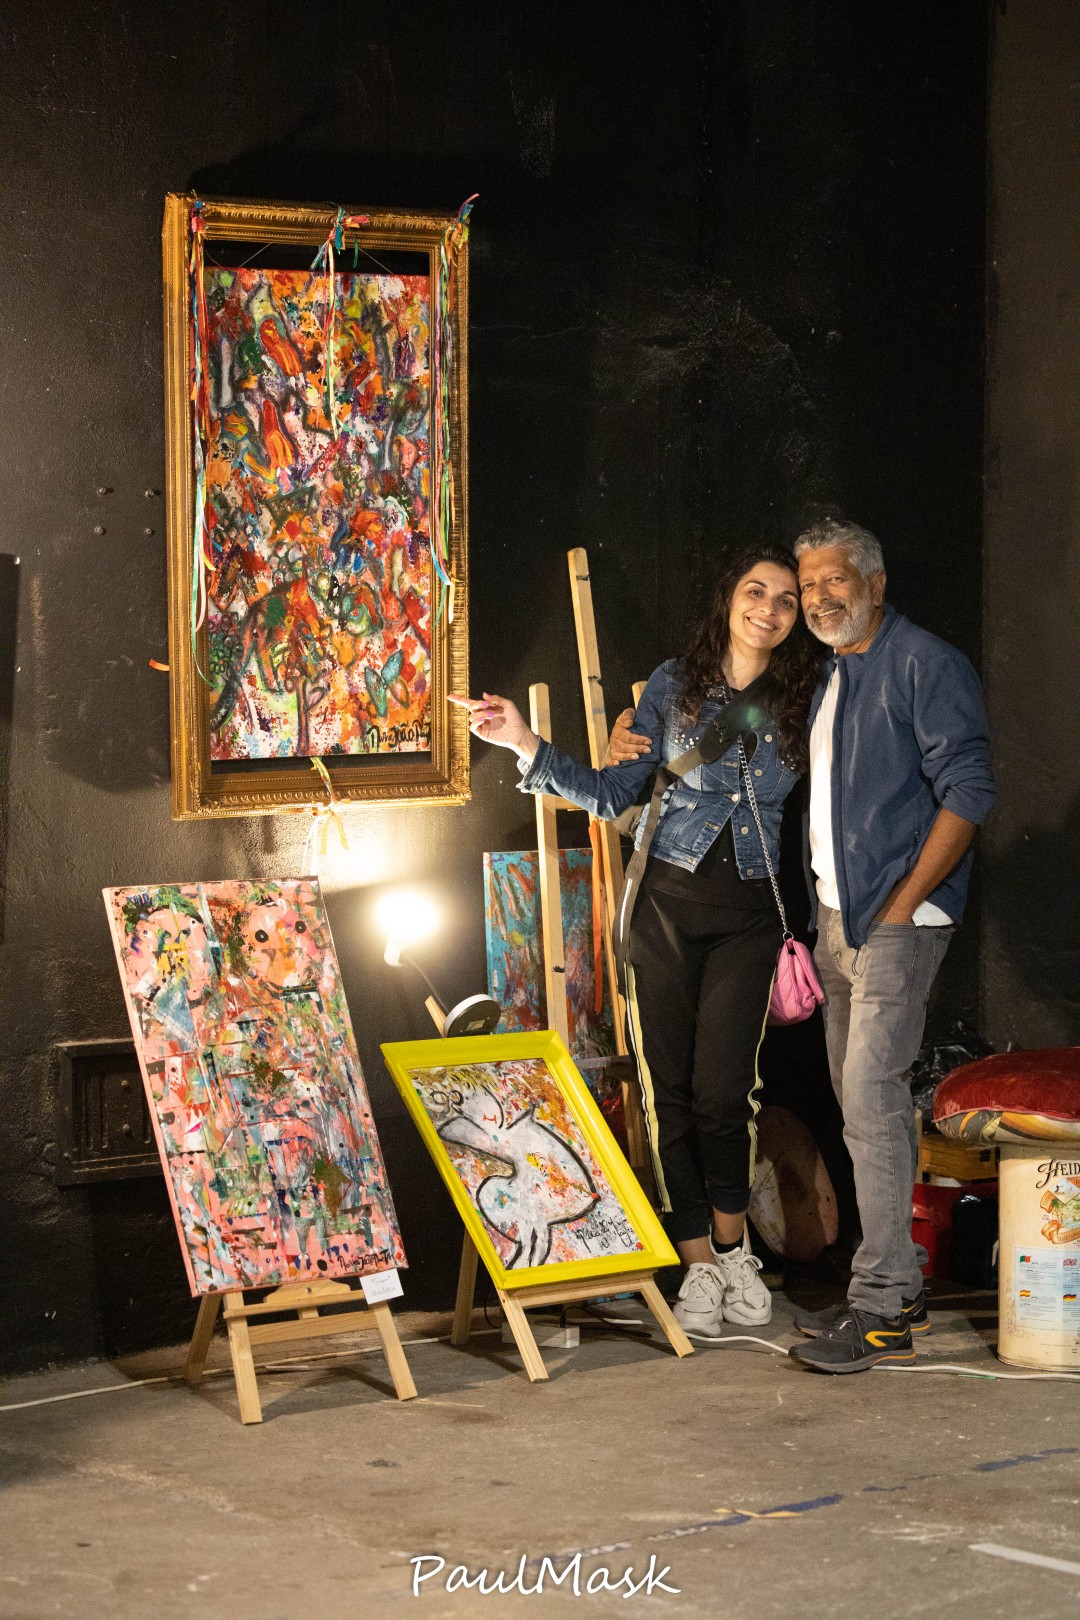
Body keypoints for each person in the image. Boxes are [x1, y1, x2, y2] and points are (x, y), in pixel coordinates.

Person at [607, 518, 995, 1373]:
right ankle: (899, 1287)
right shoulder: (823, 675)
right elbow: (695, 736)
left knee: (870, 1103)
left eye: (831, 582)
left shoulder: (922, 663)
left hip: (894, 921)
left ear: (876, 584)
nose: (814, 599)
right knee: (863, 1109)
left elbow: (969, 790)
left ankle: (882, 1307)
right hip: (834, 919)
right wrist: (629, 733)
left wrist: (903, 906)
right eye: (803, 586)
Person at [450, 547, 824, 1340]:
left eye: (786, 600)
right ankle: (697, 1264)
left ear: (797, 618)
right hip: (663, 913)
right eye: (755, 591)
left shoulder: (812, 692)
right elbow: (612, 793)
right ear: (729, 598)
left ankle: (735, 1253)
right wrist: (524, 742)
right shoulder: (673, 685)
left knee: (726, 1096)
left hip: (752, 918)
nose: (768, 608)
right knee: (668, 1096)